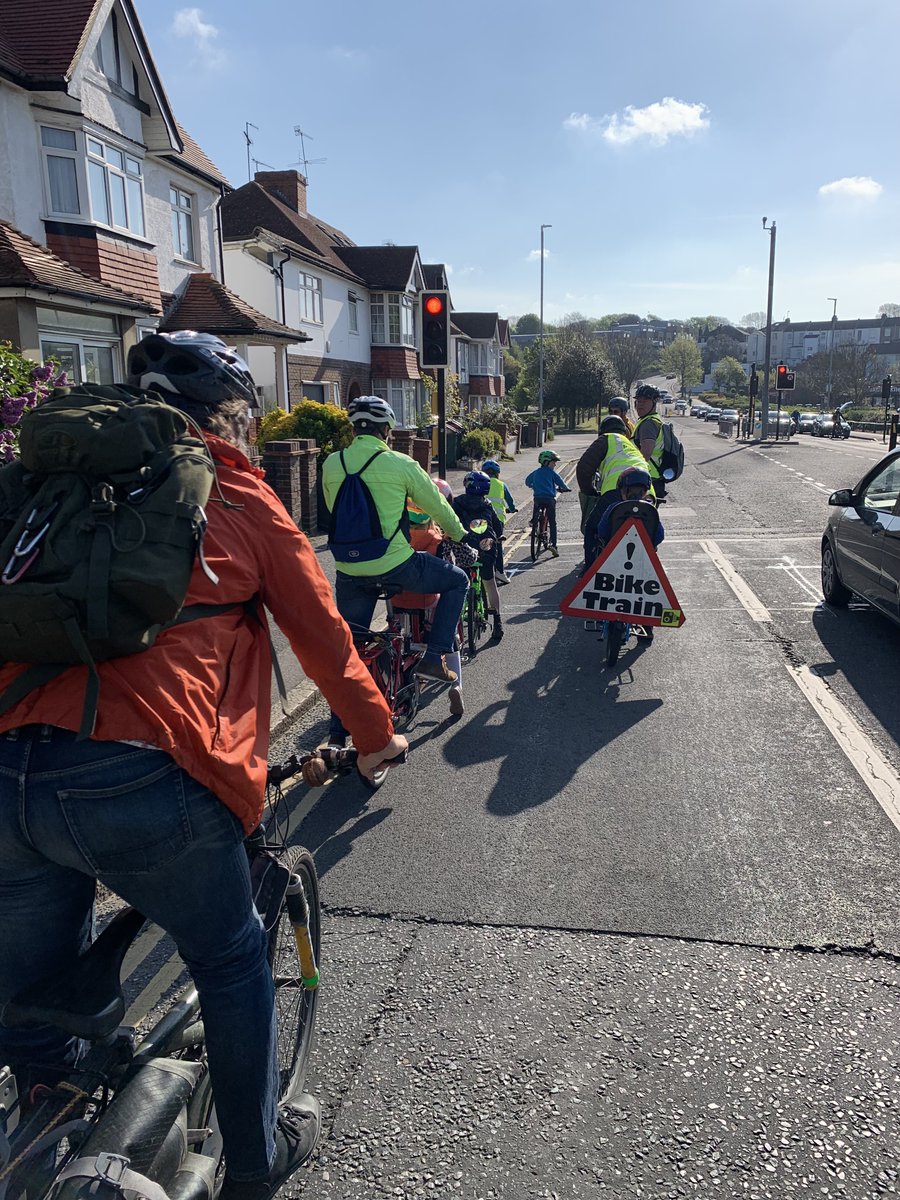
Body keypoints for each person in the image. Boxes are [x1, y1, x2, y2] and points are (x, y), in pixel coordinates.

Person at [0, 331, 408, 1200]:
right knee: (230, 960)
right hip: (143, 773)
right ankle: (256, 1162)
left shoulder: (49, 486)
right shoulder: (238, 491)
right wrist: (376, 735)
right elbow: (324, 638)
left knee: (33, 983)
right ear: (230, 417)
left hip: (7, 763)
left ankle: (40, 1120)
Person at [321, 397, 469, 747]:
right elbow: (437, 506)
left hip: (349, 569)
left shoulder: (331, 463)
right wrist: (461, 535)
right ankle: (433, 657)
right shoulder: (400, 463)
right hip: (397, 564)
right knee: (457, 580)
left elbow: (332, 508)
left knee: (351, 649)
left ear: (354, 429)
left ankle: (336, 734)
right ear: (386, 429)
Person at [391, 501, 466, 716]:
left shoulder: (398, 537)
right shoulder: (437, 539)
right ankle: (456, 686)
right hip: (427, 601)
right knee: (449, 634)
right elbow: (449, 566)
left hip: (398, 599)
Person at [580, 416, 654, 571]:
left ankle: (590, 570)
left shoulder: (607, 438)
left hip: (618, 490)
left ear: (602, 431)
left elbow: (584, 468)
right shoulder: (631, 446)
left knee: (592, 527)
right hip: (647, 493)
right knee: (649, 528)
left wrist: (589, 491)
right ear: (625, 431)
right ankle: (648, 566)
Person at [452, 470, 504, 642]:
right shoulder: (487, 504)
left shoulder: (457, 503)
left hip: (465, 547)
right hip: (486, 546)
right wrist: (498, 536)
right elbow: (497, 527)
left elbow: (450, 521)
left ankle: (457, 625)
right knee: (490, 583)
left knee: (461, 583)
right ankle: (497, 622)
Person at [525, 449, 571, 557]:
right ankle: (554, 545)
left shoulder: (536, 472)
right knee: (552, 522)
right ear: (546, 462)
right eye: (553, 462)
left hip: (538, 498)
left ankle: (534, 520)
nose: (555, 464)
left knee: (536, 507)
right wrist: (566, 488)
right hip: (549, 499)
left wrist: (534, 486)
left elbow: (527, 481)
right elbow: (560, 482)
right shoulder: (551, 472)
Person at [482, 458, 517, 585]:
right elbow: (510, 500)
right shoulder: (502, 485)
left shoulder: (481, 483)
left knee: (482, 543)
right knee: (497, 544)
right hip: (498, 519)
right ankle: (500, 572)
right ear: (497, 473)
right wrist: (512, 509)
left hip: (482, 518)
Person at [632, 384, 667, 500]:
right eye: (638, 400)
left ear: (654, 402)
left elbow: (645, 454)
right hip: (652, 477)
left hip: (646, 479)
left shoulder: (649, 424)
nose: (640, 404)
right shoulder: (651, 420)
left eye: (645, 400)